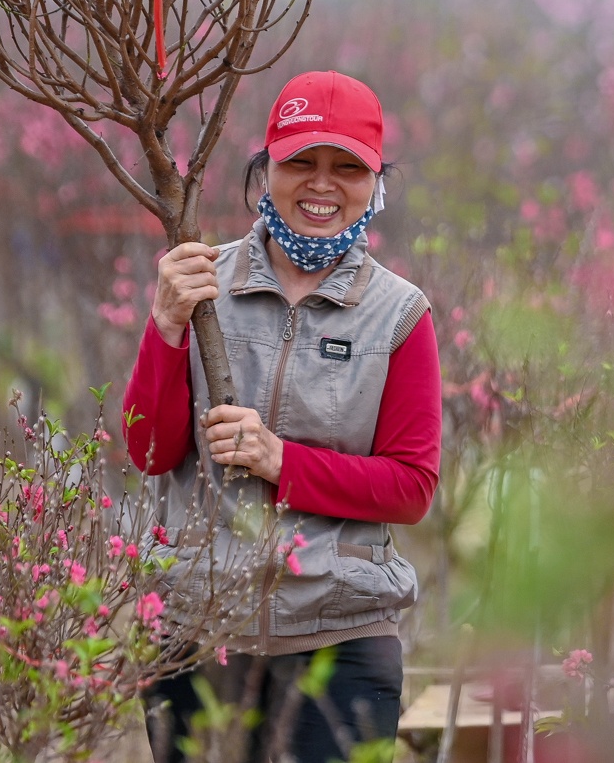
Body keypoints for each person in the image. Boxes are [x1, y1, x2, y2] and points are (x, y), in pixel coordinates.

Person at [122, 70, 440, 763]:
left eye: (346, 167)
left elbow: (411, 487)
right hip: (196, 635)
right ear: (265, 170)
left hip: (341, 637)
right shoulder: (202, 282)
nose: (321, 184)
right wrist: (165, 323)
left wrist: (279, 460)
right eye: (301, 162)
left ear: (375, 182)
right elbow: (150, 451)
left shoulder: (399, 314)